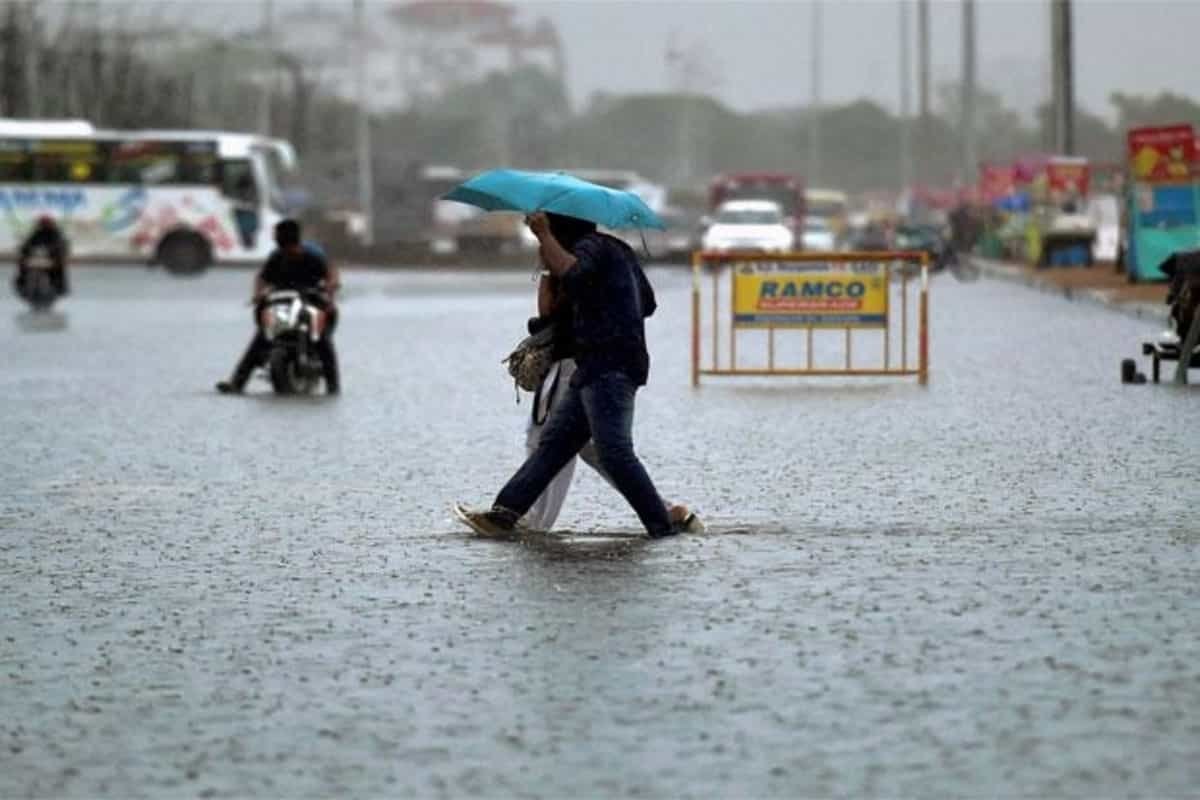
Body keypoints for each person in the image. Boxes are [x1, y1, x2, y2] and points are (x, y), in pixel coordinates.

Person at [461, 211, 686, 538]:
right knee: (554, 445)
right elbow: (647, 303)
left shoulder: (592, 248)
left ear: (561, 229)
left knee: (614, 452)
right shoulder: (615, 250)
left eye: (551, 229)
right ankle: (503, 514)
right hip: (594, 366)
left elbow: (575, 275)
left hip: (610, 366)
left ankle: (662, 525)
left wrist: (543, 236)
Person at [522, 262, 700, 533]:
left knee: (548, 439)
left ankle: (532, 520)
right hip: (594, 361)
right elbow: (645, 303)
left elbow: (548, 311)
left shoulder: (572, 259)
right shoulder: (606, 259)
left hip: (575, 361)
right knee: (591, 447)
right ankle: (664, 510)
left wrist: (547, 271)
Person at [216, 218, 341, 395]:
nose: (287, 251)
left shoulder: (313, 257)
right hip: (283, 305)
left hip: (310, 303)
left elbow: (331, 274)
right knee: (261, 338)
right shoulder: (276, 257)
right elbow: (262, 278)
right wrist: (258, 294)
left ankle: (333, 386)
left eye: (277, 236)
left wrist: (330, 291)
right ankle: (237, 383)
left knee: (322, 340)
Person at [15, 215, 70, 296]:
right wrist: (25, 251)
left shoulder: (56, 234)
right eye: (43, 224)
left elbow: (61, 246)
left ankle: (61, 286)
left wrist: (55, 252)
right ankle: (21, 282)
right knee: (22, 264)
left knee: (59, 267)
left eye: (44, 224)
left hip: (51, 259)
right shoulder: (37, 233)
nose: (43, 226)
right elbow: (27, 245)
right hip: (38, 258)